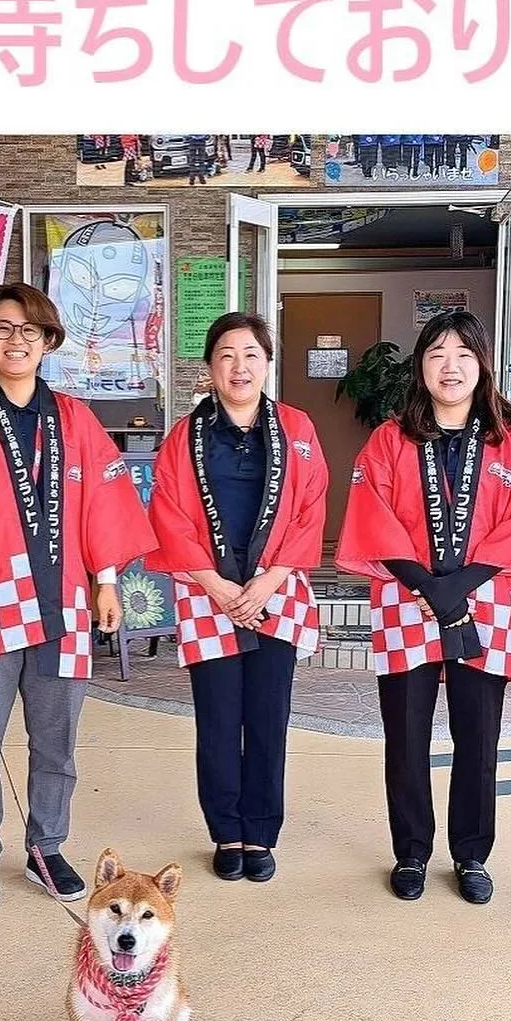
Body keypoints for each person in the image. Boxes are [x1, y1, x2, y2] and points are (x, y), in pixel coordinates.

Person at [0, 283, 157, 915]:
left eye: (29, 330)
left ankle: (47, 846)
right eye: (2, 328)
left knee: (57, 743)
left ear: (49, 341)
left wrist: (107, 582)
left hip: (66, 601)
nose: (15, 340)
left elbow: (104, 506)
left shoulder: (75, 419)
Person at [336, 312, 511, 904]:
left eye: (463, 354)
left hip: (484, 605)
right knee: (406, 737)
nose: (450, 366)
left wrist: (458, 587)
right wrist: (429, 587)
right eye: (436, 354)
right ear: (420, 366)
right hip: (406, 602)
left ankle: (472, 854)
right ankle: (412, 852)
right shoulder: (389, 438)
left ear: (482, 364)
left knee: (479, 738)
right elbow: (373, 516)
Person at [147, 312, 328, 883]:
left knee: (269, 718)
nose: (239, 366)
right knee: (219, 720)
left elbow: (310, 509)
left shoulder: (297, 430)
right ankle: (227, 831)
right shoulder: (185, 436)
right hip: (208, 595)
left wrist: (266, 583)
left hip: (277, 590)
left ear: (268, 364)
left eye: (251, 354)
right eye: (226, 355)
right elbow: (169, 516)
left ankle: (261, 833)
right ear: (209, 369)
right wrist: (219, 586)